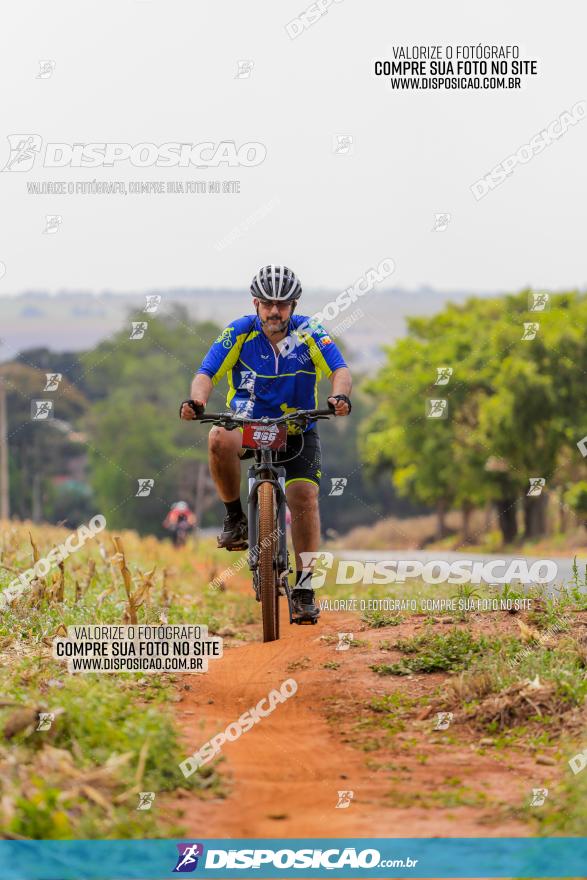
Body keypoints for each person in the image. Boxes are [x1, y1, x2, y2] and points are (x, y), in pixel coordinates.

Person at [180, 264, 352, 621]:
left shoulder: (309, 331)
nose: (275, 311)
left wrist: (339, 397)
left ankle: (304, 588)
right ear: (255, 303)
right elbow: (206, 373)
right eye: (268, 304)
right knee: (217, 436)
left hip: (296, 428)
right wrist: (196, 403)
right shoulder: (239, 332)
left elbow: (339, 369)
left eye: (283, 304)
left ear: (294, 305)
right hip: (248, 423)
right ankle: (235, 519)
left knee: (305, 498)